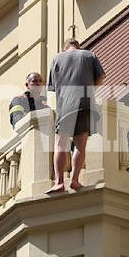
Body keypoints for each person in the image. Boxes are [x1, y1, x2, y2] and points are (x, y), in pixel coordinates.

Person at [46, 39, 105, 194]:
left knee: (60, 144)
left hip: (65, 106)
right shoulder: (89, 55)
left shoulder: (57, 59)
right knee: (80, 144)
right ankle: (75, 179)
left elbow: (52, 87)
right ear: (78, 46)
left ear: (64, 48)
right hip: (86, 104)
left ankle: (59, 182)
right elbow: (101, 77)